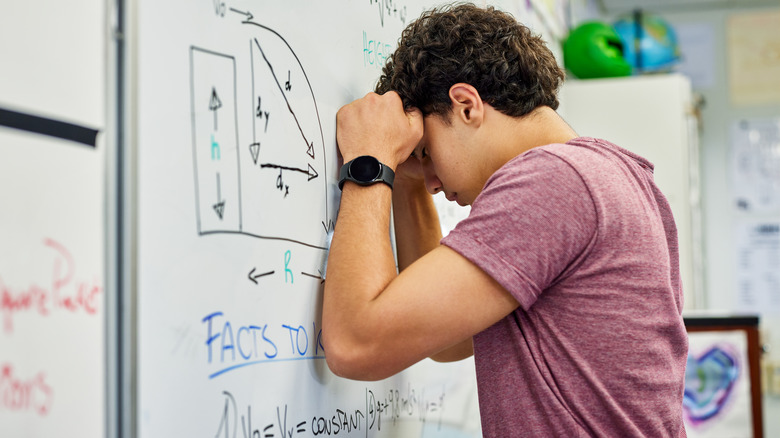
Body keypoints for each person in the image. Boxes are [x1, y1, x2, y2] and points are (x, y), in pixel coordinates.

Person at [323, 3, 688, 437]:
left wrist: (370, 159)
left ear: (466, 105)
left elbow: (355, 344)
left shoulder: (551, 182)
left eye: (425, 152)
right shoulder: (609, 175)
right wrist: (403, 180)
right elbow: (444, 337)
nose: (432, 182)